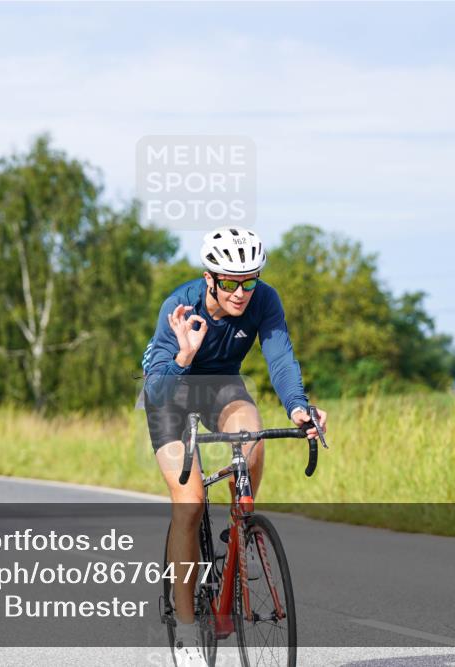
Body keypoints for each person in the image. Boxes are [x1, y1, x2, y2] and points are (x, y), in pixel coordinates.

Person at [141, 226, 326, 667]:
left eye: (249, 281)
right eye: (229, 282)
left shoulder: (264, 300)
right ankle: (187, 632)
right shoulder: (179, 307)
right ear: (210, 278)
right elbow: (157, 388)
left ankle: (241, 528)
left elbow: (280, 357)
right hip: (170, 394)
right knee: (189, 503)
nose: (240, 293)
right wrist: (184, 356)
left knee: (252, 436)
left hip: (223, 388)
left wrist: (298, 407)